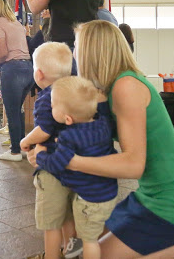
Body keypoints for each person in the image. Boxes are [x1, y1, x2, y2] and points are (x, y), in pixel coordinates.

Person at [27, 20, 174, 258]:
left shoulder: (126, 86)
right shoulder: (111, 87)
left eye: (77, 47)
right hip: (148, 195)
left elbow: (133, 165)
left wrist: (67, 161)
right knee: (82, 245)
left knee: (98, 255)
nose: (75, 54)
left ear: (91, 52)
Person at [33, 76, 118, 259]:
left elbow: (56, 163)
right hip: (108, 193)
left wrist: (40, 155)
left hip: (88, 200)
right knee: (94, 237)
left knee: (90, 242)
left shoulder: (68, 137)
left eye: (53, 107)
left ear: (68, 119)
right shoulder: (103, 123)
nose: (51, 109)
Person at [18, 42, 77, 259]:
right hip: (74, 164)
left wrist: (26, 140)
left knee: (51, 221)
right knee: (68, 215)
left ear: (39, 73)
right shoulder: (74, 92)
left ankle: (51, 256)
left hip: (52, 168)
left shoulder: (46, 97)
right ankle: (71, 253)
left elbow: (44, 130)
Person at [0, 0, 34, 162]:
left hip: (13, 70)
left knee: (12, 112)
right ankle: (22, 148)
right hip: (28, 68)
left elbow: (3, 52)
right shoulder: (16, 23)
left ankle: (15, 152)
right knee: (18, 110)